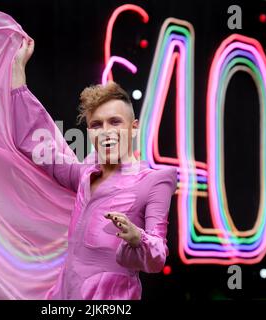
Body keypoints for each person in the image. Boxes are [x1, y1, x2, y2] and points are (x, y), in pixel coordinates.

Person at [10, 38, 178, 299]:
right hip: (65, 295)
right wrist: (17, 70)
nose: (106, 131)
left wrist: (137, 237)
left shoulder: (155, 180)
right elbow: (35, 143)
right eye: (97, 125)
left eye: (115, 122)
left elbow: (157, 258)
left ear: (134, 127)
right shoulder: (84, 174)